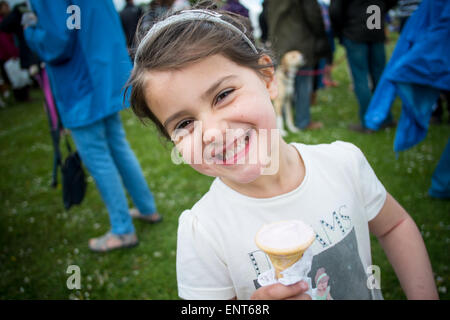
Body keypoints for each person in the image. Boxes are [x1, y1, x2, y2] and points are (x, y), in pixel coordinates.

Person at [127, 5, 438, 299]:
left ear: (268, 78)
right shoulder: (203, 232)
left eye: (222, 95)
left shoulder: (344, 163)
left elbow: (395, 225)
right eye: (184, 123)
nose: (212, 132)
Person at [24, 0, 162, 252]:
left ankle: (122, 230)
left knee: (99, 157)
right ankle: (146, 208)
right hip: (103, 75)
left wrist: (30, 30)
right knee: (118, 147)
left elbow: (56, 43)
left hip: (81, 84)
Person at [330, 0, 397, 133]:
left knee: (361, 79)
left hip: (355, 32)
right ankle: (385, 117)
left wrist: (340, 31)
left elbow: (335, 10)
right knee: (379, 76)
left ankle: (369, 122)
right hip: (375, 30)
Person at [266, 0, 331, 130]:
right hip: (301, 42)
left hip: (279, 43)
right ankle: (302, 121)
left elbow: (267, 15)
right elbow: (313, 14)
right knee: (303, 84)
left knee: (282, 85)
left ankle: (283, 120)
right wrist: (321, 36)